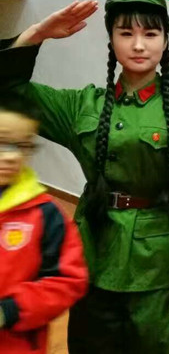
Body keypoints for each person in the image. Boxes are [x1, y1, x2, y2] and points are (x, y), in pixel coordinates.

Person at [0, 0, 169, 353]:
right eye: (125, 33)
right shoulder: (83, 106)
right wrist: (37, 34)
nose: (138, 45)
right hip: (92, 260)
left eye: (150, 34)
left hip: (156, 270)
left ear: (165, 41)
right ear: (112, 41)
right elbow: (9, 90)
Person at [0, 93, 88, 354]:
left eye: (22, 145)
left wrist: (11, 310)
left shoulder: (46, 215)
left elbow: (68, 280)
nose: (12, 156)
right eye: (2, 142)